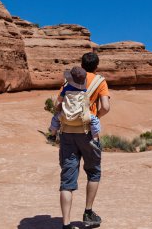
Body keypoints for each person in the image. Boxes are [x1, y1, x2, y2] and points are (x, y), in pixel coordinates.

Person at [58, 52, 110, 229]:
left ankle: (66, 224)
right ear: (96, 66)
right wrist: (94, 116)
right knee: (93, 171)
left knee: (67, 180)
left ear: (81, 64)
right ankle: (88, 212)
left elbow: (58, 103)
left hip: (67, 133)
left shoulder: (70, 79)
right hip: (87, 133)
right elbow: (106, 107)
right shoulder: (99, 81)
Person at [48, 66, 102, 150]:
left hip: (65, 117)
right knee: (95, 121)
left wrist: (58, 109)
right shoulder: (84, 90)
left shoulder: (66, 89)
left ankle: (53, 135)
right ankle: (95, 140)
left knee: (55, 118)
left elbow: (58, 103)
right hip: (82, 118)